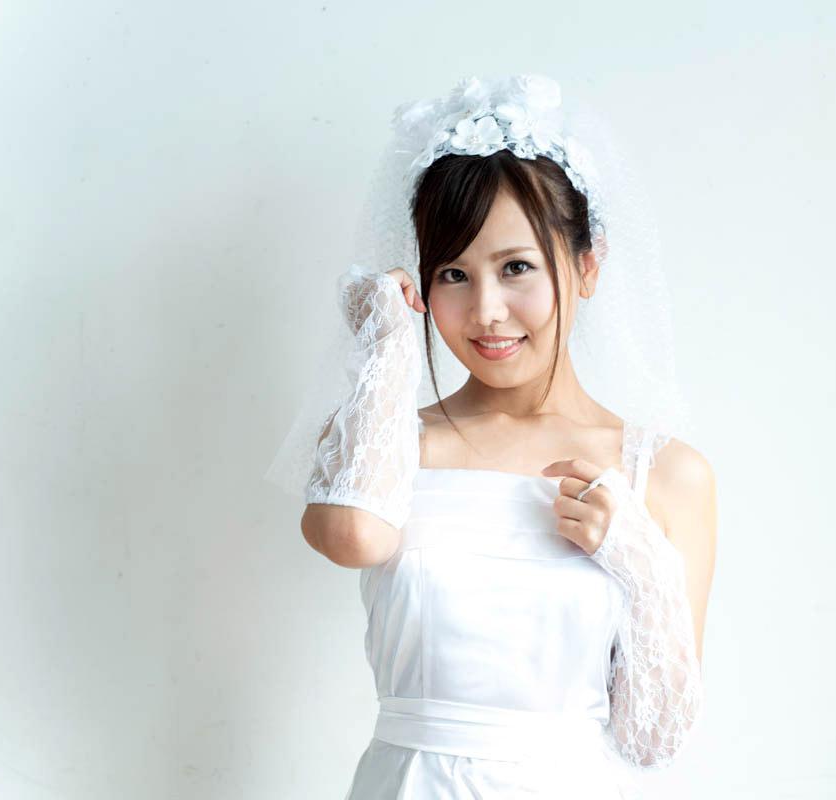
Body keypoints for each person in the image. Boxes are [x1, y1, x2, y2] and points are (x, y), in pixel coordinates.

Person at [265, 74, 717, 798]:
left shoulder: (663, 473)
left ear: (588, 266)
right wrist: (385, 347)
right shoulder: (388, 443)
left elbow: (652, 740)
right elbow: (350, 536)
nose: (486, 311)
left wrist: (638, 560)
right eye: (453, 273)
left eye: (516, 268)